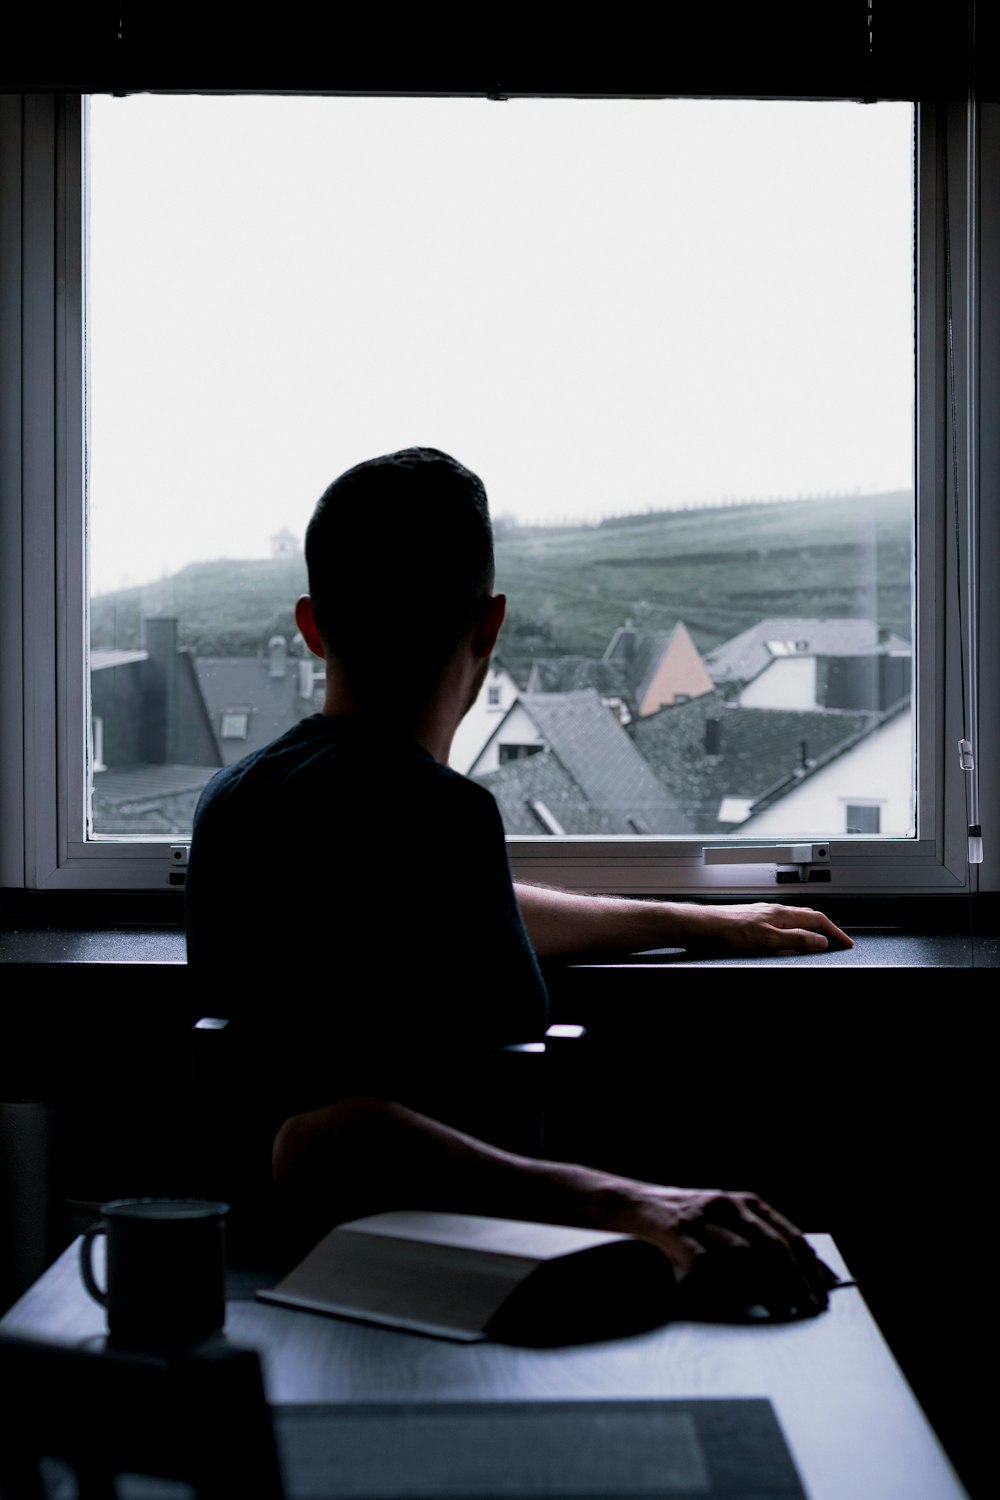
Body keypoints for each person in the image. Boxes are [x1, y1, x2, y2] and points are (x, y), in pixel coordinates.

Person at [185, 446, 851, 1319]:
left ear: (311, 626)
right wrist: (646, 1205)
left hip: (254, 1285)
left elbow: (433, 912)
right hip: (423, 1297)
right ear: (489, 628)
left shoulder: (236, 802)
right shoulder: (431, 813)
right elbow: (319, 1139)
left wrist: (690, 920)